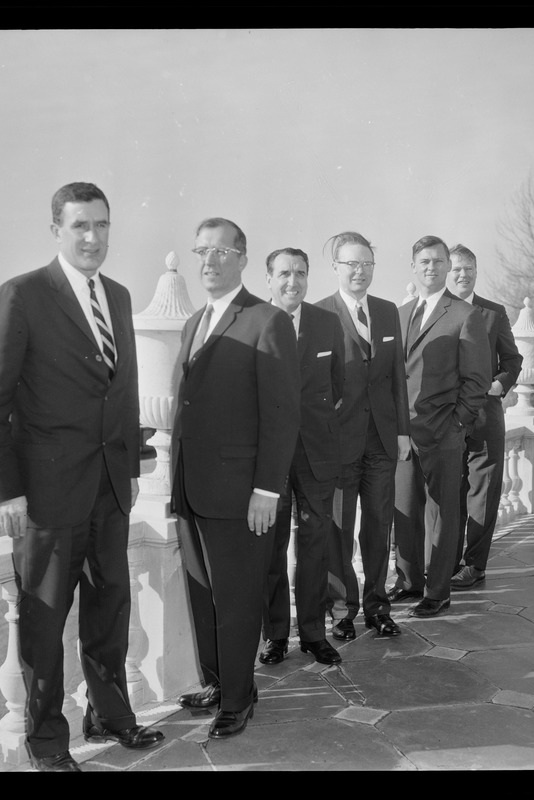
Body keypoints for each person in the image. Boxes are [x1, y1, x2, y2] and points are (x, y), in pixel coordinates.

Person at [0, 182, 164, 773]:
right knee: (44, 623)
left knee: (110, 609)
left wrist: (128, 470)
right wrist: (5, 489)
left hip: (109, 487)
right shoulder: (23, 295)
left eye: (102, 225)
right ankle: (48, 742)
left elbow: (124, 391)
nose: (92, 237)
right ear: (56, 229)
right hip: (47, 495)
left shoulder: (121, 297)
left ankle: (110, 714)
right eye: (80, 225)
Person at [172, 218, 300, 739]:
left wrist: (267, 488)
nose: (208, 261)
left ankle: (239, 699)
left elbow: (281, 411)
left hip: (240, 491)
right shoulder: (194, 322)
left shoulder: (267, 320)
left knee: (238, 596)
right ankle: (217, 682)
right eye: (201, 251)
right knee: (202, 593)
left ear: (243, 258)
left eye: (220, 251)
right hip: (191, 488)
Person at [315, 232, 410, 640]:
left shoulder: (388, 313)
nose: (359, 271)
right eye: (351, 263)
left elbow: (397, 380)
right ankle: (341, 611)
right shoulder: (319, 314)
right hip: (339, 445)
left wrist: (403, 431)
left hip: (383, 441)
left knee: (377, 527)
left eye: (366, 264)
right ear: (335, 267)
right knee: (339, 529)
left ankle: (377, 607)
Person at [391, 235, 491, 618]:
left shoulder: (463, 315)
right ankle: (409, 580)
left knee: (444, 514)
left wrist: (457, 425)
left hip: (444, 433)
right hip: (403, 435)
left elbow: (477, 380)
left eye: (437, 261)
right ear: (413, 268)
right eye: (423, 262)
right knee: (405, 511)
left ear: (448, 267)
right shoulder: (399, 315)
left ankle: (437, 590)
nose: (430, 267)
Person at [259, 247, 345, 667]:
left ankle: (312, 632)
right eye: (283, 274)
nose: (292, 281)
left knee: (314, 543)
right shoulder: (254, 322)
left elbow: (341, 384)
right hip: (269, 459)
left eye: (300, 273)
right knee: (271, 545)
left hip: (316, 454)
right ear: (268, 280)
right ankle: (275, 635)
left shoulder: (327, 322)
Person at [446, 244, 523, 589]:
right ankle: (445, 562)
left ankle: (474, 565)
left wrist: (498, 385)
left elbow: (513, 361)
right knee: (448, 492)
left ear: (477, 271)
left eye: (470, 268)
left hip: (484, 417)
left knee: (483, 492)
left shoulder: (493, 313)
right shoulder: (436, 311)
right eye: (457, 268)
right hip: (445, 418)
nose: (463, 274)